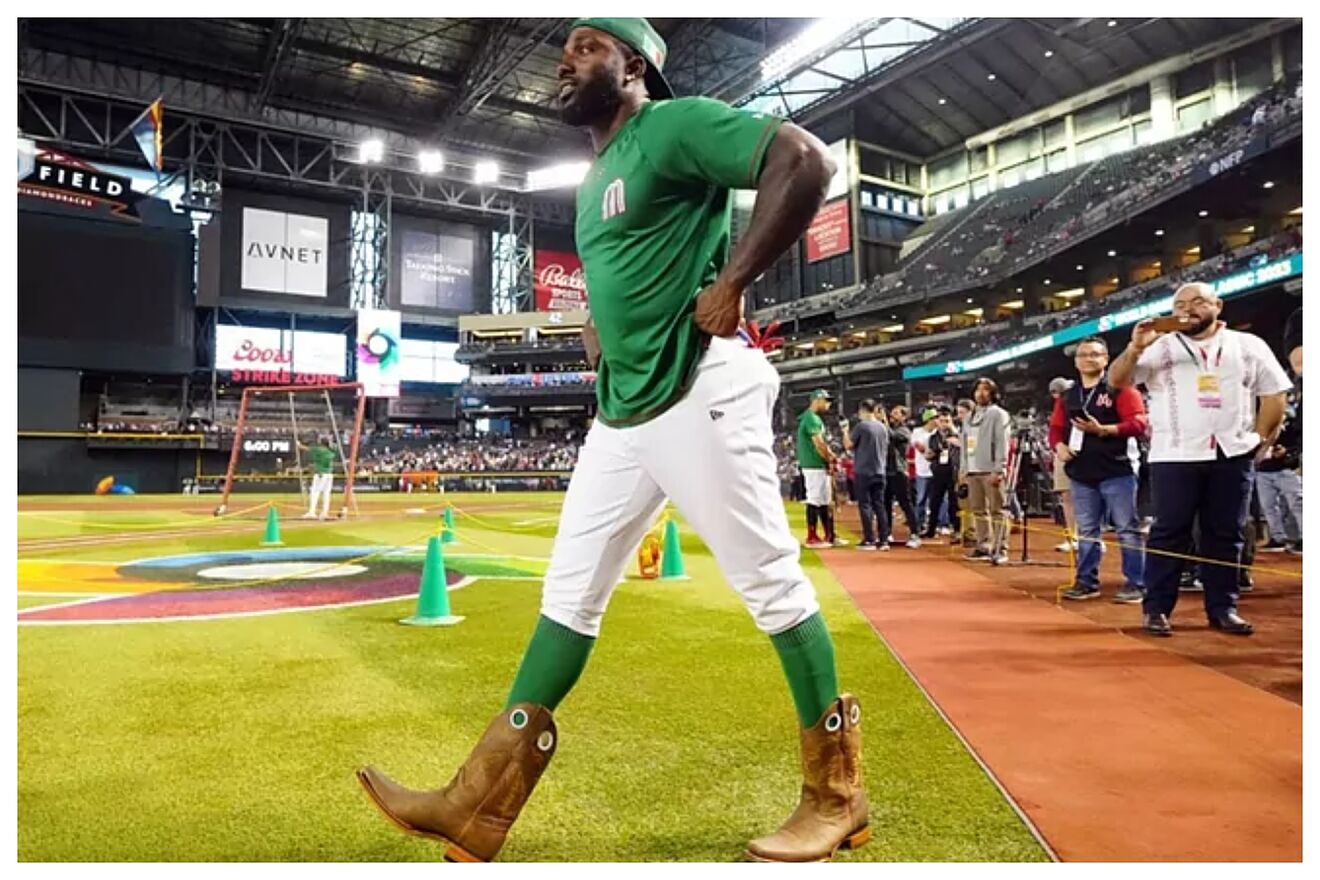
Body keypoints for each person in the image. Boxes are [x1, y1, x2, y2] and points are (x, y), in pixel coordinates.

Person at [357, 19, 868, 864]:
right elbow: (620, 276)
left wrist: (735, 279)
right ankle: (475, 803)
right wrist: (599, 335)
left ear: (634, 66)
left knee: (771, 586)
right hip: (624, 410)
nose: (565, 60)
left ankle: (837, 796)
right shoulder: (595, 179)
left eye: (588, 46)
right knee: (568, 597)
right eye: (565, 47)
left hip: (699, 386)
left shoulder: (673, 124)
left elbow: (805, 159)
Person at [1109, 282, 1291, 636]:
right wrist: (1135, 347)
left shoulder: (1248, 345)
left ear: (1218, 305)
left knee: (1226, 532)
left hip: (1232, 451)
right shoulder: (1160, 346)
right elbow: (1118, 381)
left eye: (1197, 302)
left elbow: (1274, 394)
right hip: (1174, 453)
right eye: (1180, 304)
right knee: (1169, 531)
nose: (1187, 309)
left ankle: (1223, 608)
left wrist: (1260, 439)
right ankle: (1157, 609)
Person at [1049, 338, 1149, 603]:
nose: (1089, 359)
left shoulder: (1121, 388)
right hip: (1081, 472)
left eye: (1095, 354)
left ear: (1106, 359)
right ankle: (1086, 581)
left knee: (1127, 528)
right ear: (1076, 362)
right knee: (1087, 530)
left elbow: (1139, 423)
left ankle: (1136, 583)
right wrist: (1058, 447)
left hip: (1118, 469)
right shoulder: (1069, 394)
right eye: (1083, 355)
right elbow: (1055, 428)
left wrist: (1105, 430)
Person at [959, 378, 1011, 564]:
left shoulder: (998, 414)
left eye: (985, 390)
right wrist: (964, 468)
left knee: (998, 510)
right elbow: (964, 443)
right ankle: (984, 546)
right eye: (978, 390)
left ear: (993, 393)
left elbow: (1002, 442)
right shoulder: (969, 417)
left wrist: (999, 468)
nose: (981, 393)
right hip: (973, 469)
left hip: (990, 469)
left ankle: (1000, 548)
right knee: (978, 510)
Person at [798, 389, 847, 549]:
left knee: (825, 500)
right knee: (815, 499)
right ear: (817, 400)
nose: (828, 404)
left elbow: (822, 443)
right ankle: (812, 537)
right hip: (814, 465)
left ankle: (830, 535)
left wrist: (831, 456)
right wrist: (830, 459)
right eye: (826, 400)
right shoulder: (812, 418)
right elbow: (819, 443)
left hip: (817, 464)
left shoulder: (812, 418)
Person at [1256, 391, 1302, 553]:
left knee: (1298, 504)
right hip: (1263, 468)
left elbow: (1299, 438)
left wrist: (1288, 451)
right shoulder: (1257, 414)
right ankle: (1277, 538)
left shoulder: (1293, 415)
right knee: (1268, 507)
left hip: (1288, 467)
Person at [843, 398, 889, 551]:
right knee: (880, 505)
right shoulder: (882, 427)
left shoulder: (862, 426)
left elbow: (848, 445)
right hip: (880, 470)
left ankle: (869, 539)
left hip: (863, 471)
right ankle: (884, 539)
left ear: (862, 410)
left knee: (865, 505)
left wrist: (845, 431)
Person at [1048, 377, 1079, 553]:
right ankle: (1072, 538)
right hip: (1063, 450)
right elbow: (1055, 427)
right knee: (1067, 496)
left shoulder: (1082, 394)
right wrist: (1058, 446)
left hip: (1087, 450)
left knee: (1090, 496)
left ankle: (1091, 538)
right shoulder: (1061, 403)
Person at [884, 405, 921, 548]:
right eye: (892, 413)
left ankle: (915, 533)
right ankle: (886, 532)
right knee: (886, 503)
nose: (892, 415)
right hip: (886, 471)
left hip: (899, 471)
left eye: (896, 413)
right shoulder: (888, 429)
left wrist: (884, 422)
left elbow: (893, 437)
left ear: (904, 417)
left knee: (905, 503)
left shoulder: (904, 431)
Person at [921, 408, 960, 541]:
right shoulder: (933, 437)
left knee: (954, 502)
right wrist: (930, 454)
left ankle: (956, 529)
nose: (944, 424)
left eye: (947, 421)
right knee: (934, 501)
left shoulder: (957, 435)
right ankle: (931, 529)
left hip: (953, 472)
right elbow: (928, 455)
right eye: (942, 421)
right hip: (938, 472)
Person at [911, 408, 937, 535]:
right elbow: (920, 447)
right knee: (921, 499)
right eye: (934, 418)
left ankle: (937, 524)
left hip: (936, 471)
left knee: (937, 500)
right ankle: (919, 524)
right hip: (922, 470)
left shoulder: (938, 432)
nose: (937, 421)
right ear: (928, 420)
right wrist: (932, 450)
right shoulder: (917, 432)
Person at [299, 434, 336, 520]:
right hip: (329, 474)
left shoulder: (319, 450)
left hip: (320, 474)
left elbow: (305, 448)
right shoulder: (330, 451)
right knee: (326, 494)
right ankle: (324, 513)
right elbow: (333, 447)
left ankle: (312, 512)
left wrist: (298, 444)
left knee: (315, 492)